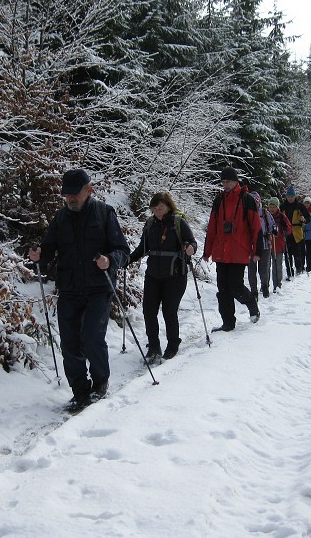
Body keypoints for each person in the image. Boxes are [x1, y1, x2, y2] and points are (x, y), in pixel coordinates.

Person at [29, 169, 130, 408]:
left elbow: (122, 251)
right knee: (70, 344)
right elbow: (47, 250)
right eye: (67, 195)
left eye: (75, 194)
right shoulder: (60, 218)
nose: (71, 198)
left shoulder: (104, 213)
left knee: (92, 338)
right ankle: (80, 390)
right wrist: (38, 256)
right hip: (69, 289)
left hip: (98, 288)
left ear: (89, 190)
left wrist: (109, 260)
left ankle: (100, 383)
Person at [128, 191, 197, 362]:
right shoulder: (151, 224)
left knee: (169, 311)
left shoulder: (178, 223)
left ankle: (173, 344)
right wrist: (127, 260)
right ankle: (153, 346)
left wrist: (190, 248)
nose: (157, 212)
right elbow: (142, 247)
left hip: (175, 275)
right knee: (149, 311)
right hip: (153, 275)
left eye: (160, 208)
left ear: (168, 206)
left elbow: (192, 242)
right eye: (154, 209)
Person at [203, 166, 261, 331]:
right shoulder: (219, 200)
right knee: (223, 290)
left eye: (228, 181)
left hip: (238, 251)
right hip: (221, 252)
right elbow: (212, 226)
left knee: (235, 286)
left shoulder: (247, 199)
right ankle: (228, 323)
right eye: (223, 181)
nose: (225, 184)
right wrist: (207, 251)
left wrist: (257, 250)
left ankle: (251, 303)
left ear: (235, 181)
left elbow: (256, 227)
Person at [246, 191, 277, 299]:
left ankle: (265, 287)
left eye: (256, 201)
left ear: (259, 201)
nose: (255, 203)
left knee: (263, 269)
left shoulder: (264, 213)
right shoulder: (246, 213)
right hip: (250, 246)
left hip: (265, 244)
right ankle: (253, 291)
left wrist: (274, 230)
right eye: (253, 201)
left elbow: (273, 225)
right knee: (251, 270)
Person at [281, 185, 309, 277]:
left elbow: (308, 218)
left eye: (292, 196)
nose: (290, 198)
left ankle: (299, 269)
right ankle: (289, 271)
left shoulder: (300, 206)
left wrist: (303, 219)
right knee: (287, 254)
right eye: (289, 196)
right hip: (286, 232)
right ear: (286, 197)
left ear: (295, 196)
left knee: (298, 253)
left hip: (297, 233)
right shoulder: (282, 206)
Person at [266, 197, 292, 293]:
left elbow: (289, 228)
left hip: (278, 245)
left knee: (277, 267)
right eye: (270, 206)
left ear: (277, 207)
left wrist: (285, 230)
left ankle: (277, 285)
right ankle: (266, 285)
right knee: (266, 267)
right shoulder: (266, 216)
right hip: (268, 245)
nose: (272, 209)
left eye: (274, 207)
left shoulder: (281, 216)